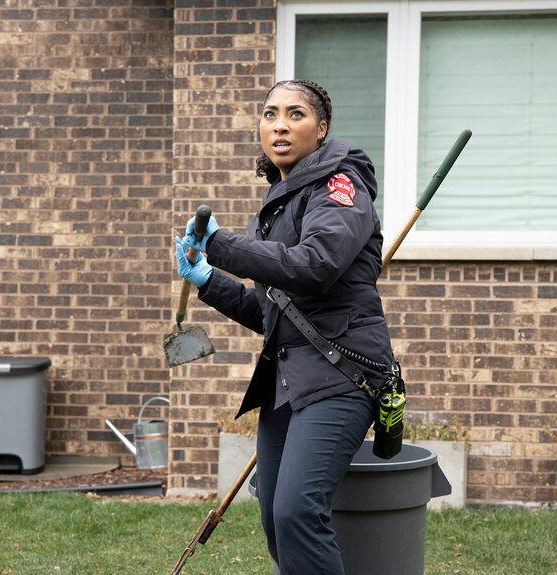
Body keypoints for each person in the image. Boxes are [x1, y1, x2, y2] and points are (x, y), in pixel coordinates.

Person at [174, 79, 394, 575]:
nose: (280, 124)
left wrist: (223, 245)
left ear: (321, 129)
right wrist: (209, 280)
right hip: (287, 383)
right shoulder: (279, 202)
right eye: (270, 113)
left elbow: (316, 265)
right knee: (277, 518)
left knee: (297, 512)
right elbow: (273, 313)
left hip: (342, 376)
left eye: (296, 114)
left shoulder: (341, 186)